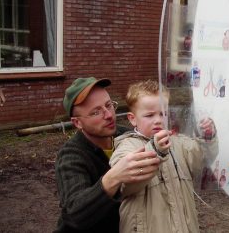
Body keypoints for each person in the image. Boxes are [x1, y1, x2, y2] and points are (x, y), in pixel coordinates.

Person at [109, 80, 218, 232]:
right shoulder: (126, 147)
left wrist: (207, 136)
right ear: (132, 118)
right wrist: (155, 150)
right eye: (149, 115)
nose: (158, 120)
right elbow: (126, 184)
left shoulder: (177, 142)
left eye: (163, 113)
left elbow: (202, 159)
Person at [54, 77, 160, 233]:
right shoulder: (71, 156)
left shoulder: (128, 136)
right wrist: (114, 177)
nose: (109, 115)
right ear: (77, 123)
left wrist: (206, 134)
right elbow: (74, 215)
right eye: (96, 112)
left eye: (109, 105)